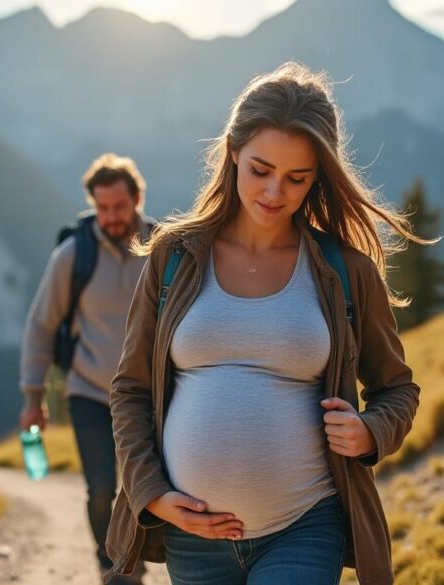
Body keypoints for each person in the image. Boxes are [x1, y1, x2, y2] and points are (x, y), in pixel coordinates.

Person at [101, 62, 425, 585]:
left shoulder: (345, 270)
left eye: (297, 178)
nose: (275, 192)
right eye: (261, 170)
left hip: (305, 525)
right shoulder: (175, 257)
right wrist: (153, 494)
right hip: (194, 537)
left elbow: (398, 389)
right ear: (233, 151)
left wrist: (369, 432)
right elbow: (131, 390)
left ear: (318, 176)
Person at [19, 153, 155, 584]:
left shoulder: (165, 246)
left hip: (153, 396)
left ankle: (143, 556)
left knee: (147, 489)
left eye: (120, 206)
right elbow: (41, 326)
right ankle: (114, 565)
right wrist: (33, 399)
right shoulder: (71, 256)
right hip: (89, 391)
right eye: (103, 208)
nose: (112, 217)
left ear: (137, 198)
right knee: (100, 489)